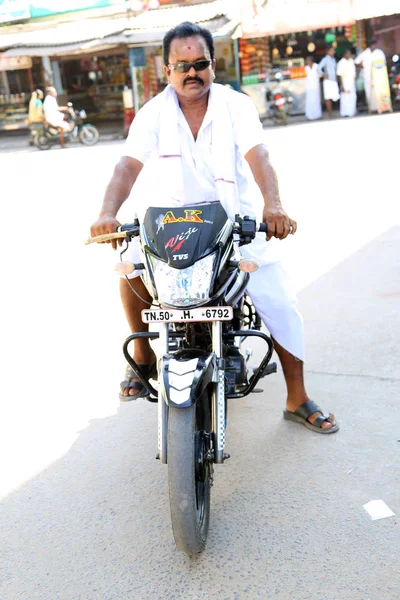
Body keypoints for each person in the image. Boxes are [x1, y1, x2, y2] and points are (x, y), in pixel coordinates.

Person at [90, 21, 338, 433]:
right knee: (129, 265)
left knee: (278, 299)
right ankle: (144, 359)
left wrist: (273, 206)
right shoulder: (153, 113)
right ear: (165, 69)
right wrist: (106, 212)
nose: (192, 73)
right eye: (182, 65)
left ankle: (297, 396)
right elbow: (125, 166)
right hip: (171, 230)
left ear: (213, 65)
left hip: (232, 225)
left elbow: (261, 157)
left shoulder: (235, 106)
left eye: (200, 63)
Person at [355, 40, 392, 113]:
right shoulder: (365, 53)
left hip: (379, 77)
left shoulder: (379, 53)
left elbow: (384, 63)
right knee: (369, 93)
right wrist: (363, 66)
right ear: (370, 46)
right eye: (373, 45)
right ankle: (372, 108)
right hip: (368, 77)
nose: (374, 46)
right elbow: (356, 62)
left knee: (381, 91)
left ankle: (383, 107)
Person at [318, 45, 340, 117]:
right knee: (328, 98)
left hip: (333, 80)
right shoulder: (325, 59)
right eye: (332, 50)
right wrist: (323, 75)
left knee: (334, 97)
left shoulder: (333, 59)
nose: (333, 52)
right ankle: (329, 114)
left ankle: (332, 112)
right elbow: (318, 68)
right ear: (328, 51)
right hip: (328, 81)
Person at [336, 49, 357, 117]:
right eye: (348, 54)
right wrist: (342, 86)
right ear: (344, 55)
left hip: (352, 82)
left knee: (352, 97)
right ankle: (345, 113)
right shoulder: (341, 63)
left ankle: (352, 112)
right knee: (345, 98)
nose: (349, 55)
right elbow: (339, 75)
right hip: (345, 83)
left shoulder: (351, 61)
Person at [305, 56, 322, 120]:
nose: (307, 62)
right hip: (309, 87)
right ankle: (310, 116)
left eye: (308, 60)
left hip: (316, 86)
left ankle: (317, 115)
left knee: (316, 101)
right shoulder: (306, 68)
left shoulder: (316, 66)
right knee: (309, 102)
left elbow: (320, 74)